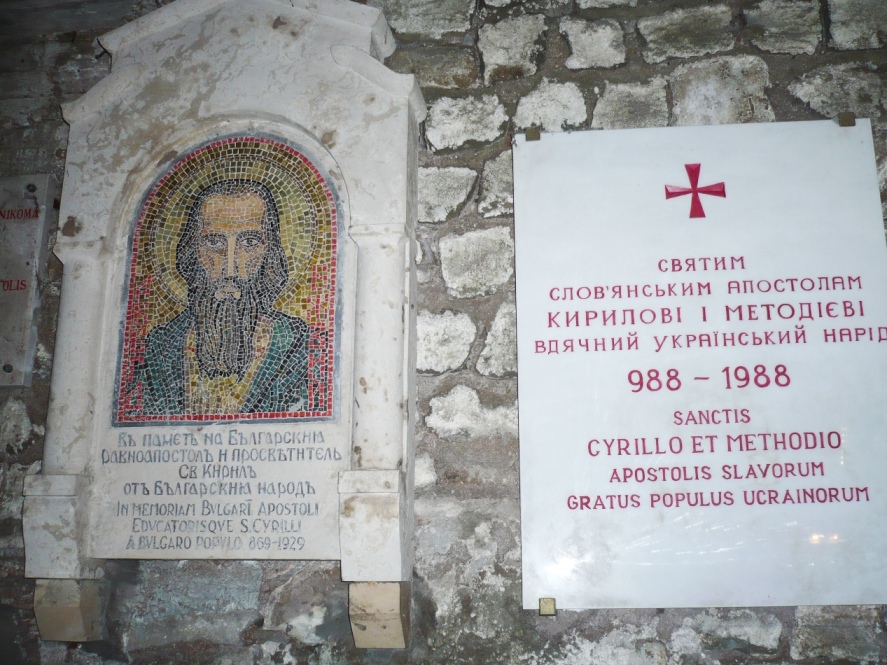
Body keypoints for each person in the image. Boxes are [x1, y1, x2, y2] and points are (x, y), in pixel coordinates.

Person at [135, 179, 309, 416]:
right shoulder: (159, 346)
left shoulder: (299, 345)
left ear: (270, 251)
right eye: (214, 242)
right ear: (193, 250)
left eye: (249, 242)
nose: (230, 267)